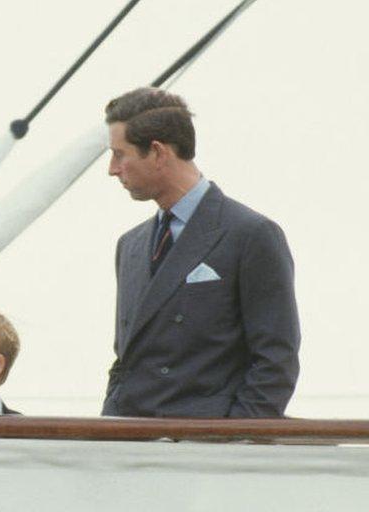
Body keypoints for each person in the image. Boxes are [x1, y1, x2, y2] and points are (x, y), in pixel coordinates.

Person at [102, 87, 300, 418]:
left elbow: (275, 360)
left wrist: (234, 443)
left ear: (158, 153)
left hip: (204, 452)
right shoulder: (130, 246)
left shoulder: (250, 235)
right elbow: (125, 363)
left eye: (119, 154)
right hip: (129, 447)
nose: (112, 168)